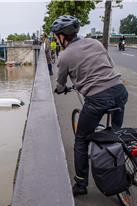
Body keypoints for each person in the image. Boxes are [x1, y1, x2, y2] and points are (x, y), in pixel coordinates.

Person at [51, 16, 128, 196]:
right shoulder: (95, 43)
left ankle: (80, 184)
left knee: (81, 140)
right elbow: (110, 65)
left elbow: (61, 84)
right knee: (116, 134)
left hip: (97, 99)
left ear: (62, 37)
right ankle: (121, 163)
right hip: (119, 91)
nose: (56, 39)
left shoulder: (64, 56)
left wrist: (60, 89)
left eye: (56, 36)